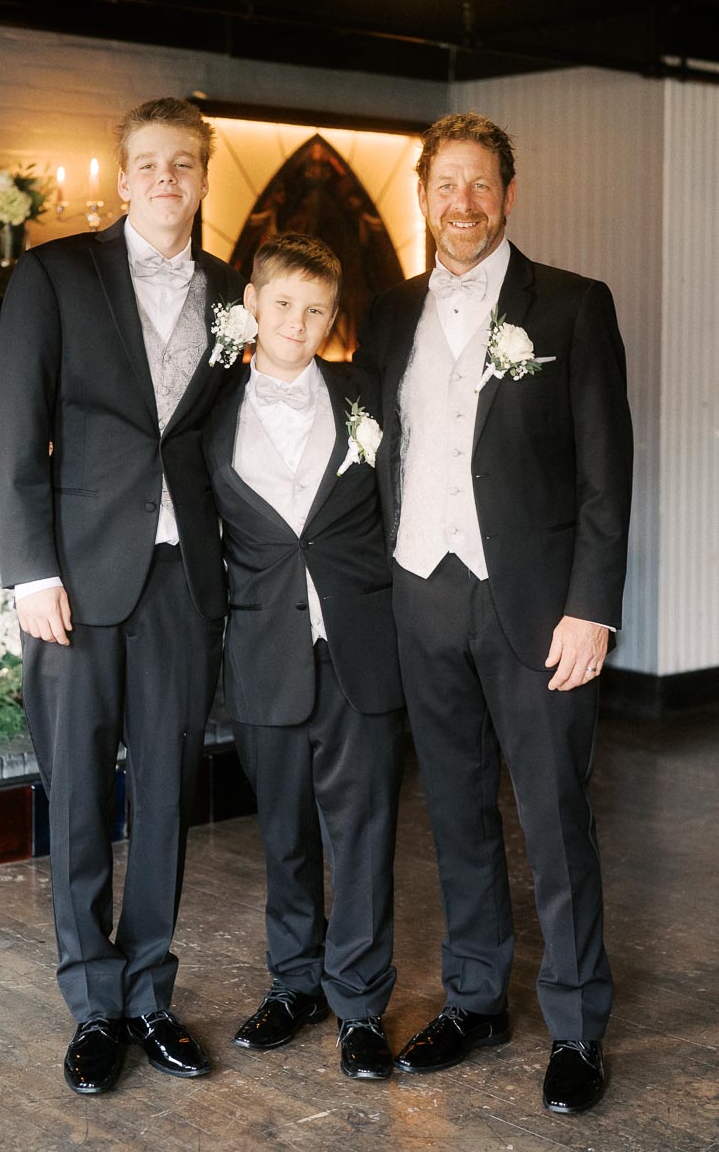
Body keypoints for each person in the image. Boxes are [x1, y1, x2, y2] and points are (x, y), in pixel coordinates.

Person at [355, 112, 633, 1114]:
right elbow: (375, 451)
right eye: (446, 186)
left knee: (555, 817)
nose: (462, 204)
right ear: (422, 196)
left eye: (481, 186)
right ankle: (476, 1000)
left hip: (538, 607)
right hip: (420, 595)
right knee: (458, 815)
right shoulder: (386, 315)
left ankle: (577, 1025)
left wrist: (591, 608)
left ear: (507, 196)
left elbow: (607, 475)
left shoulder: (570, 305)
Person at [0, 97, 245, 1095]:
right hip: (78, 584)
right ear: (122, 176)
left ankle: (150, 995)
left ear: (201, 176)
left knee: (170, 797)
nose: (168, 179)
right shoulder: (56, 273)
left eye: (185, 163)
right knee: (84, 795)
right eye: (150, 163)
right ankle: (94, 1004)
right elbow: (15, 431)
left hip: (188, 583)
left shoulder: (232, 293)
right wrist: (30, 569)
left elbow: (224, 437)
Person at [204, 232, 405, 1081]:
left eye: (316, 308)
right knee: (283, 832)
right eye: (283, 303)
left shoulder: (368, 397)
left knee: (361, 833)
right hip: (262, 647)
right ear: (252, 303)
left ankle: (358, 1002)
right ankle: (296, 983)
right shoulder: (206, 414)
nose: (298, 320)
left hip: (360, 646)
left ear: (333, 317)